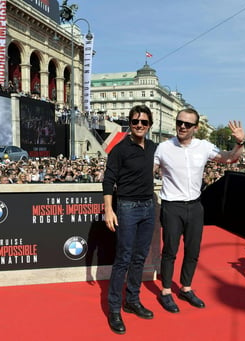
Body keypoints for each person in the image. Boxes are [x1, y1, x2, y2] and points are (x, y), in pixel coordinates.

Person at [154, 108, 245, 313]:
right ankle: (166, 291)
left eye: (187, 124)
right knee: (169, 251)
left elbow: (230, 158)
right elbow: (147, 170)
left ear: (195, 128)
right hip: (171, 206)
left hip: (195, 206)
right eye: (179, 122)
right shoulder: (163, 147)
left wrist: (239, 143)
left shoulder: (203, 146)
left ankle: (186, 288)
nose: (182, 127)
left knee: (193, 252)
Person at [103, 105, 157, 335]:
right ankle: (114, 309)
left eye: (144, 122)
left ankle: (132, 300)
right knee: (123, 258)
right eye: (135, 121)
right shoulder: (120, 149)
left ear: (149, 125)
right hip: (126, 207)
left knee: (140, 258)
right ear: (130, 123)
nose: (139, 125)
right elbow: (108, 180)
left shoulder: (155, 148)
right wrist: (108, 209)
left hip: (148, 207)